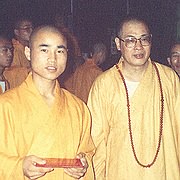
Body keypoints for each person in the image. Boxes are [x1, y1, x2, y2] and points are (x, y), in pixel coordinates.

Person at [87, 15, 180, 180]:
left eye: (144, 39)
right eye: (130, 40)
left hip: (163, 171)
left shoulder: (169, 78)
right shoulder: (104, 84)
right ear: (118, 44)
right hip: (121, 173)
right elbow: (96, 142)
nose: (138, 46)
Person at [0, 25, 95, 179]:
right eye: (44, 50)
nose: (53, 58)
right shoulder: (6, 105)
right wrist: (19, 167)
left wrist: (83, 164)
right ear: (28, 53)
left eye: (60, 51)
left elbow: (89, 152)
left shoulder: (78, 107)